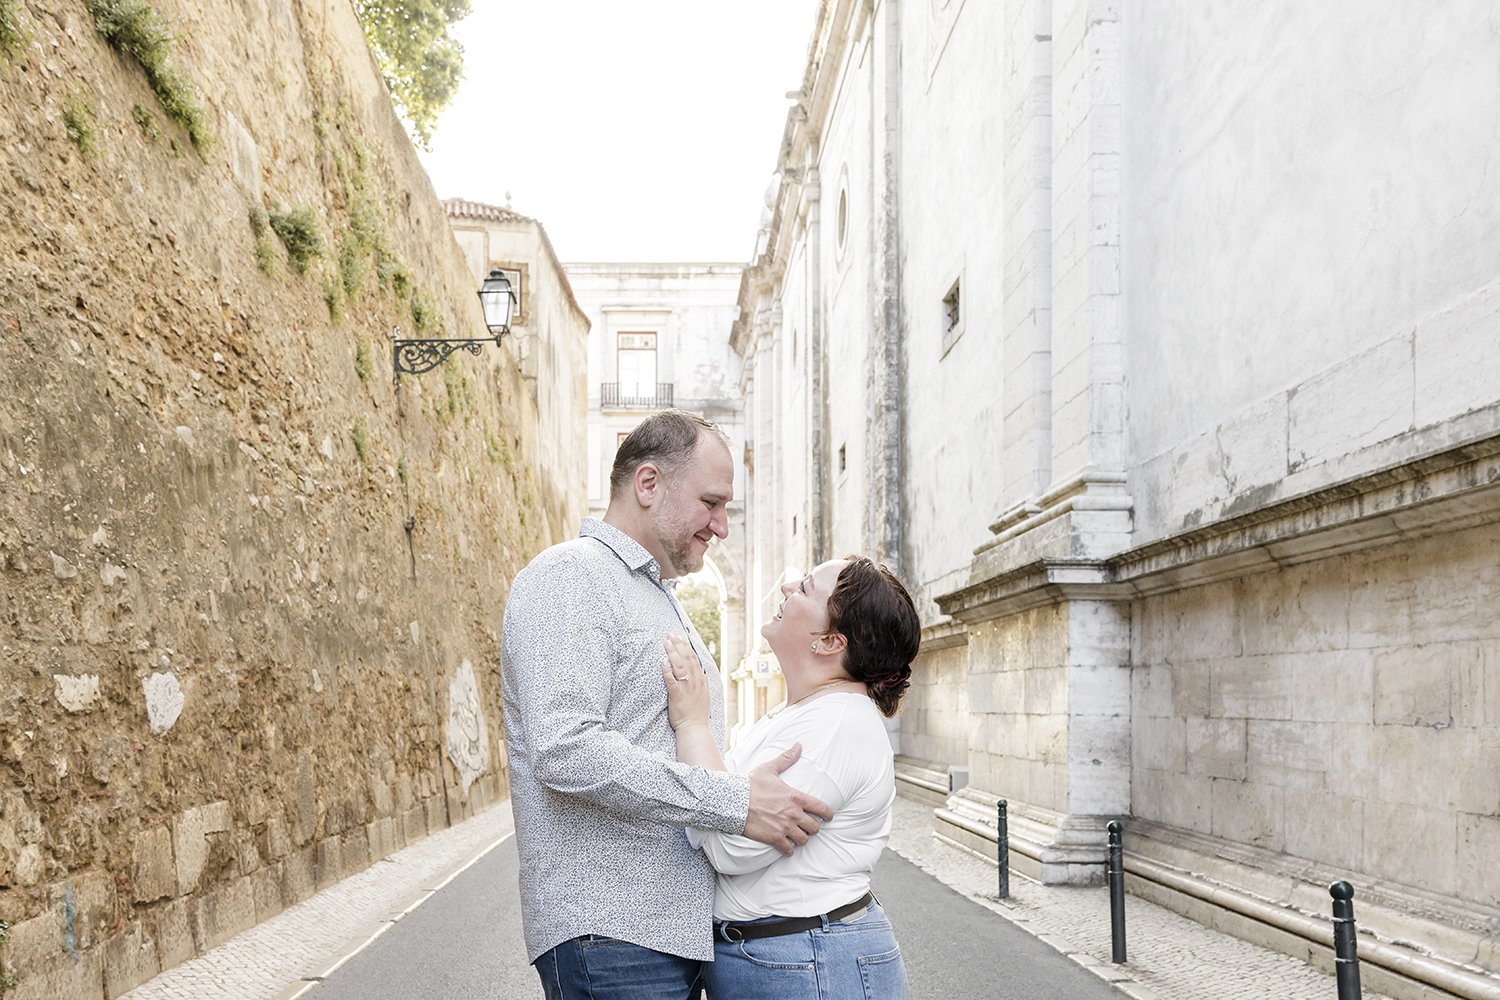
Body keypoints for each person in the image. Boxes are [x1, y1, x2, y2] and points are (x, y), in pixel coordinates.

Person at [500, 408, 834, 1000]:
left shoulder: (658, 596)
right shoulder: (568, 575)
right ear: (648, 484)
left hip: (669, 936)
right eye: (711, 502)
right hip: (611, 934)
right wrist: (733, 800)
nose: (722, 526)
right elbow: (565, 749)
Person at [662, 555, 921, 1000]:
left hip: (808, 964)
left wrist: (692, 725)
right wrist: (723, 803)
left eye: (804, 589)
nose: (785, 589)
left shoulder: (835, 728)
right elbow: (723, 813)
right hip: (790, 959)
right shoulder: (806, 714)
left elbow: (730, 848)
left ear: (828, 642)